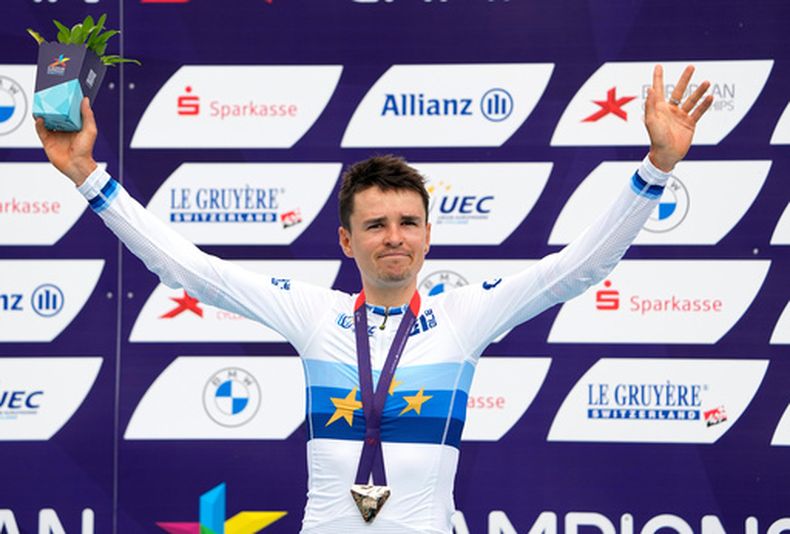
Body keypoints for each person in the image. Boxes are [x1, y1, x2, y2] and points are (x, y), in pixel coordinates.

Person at [37, 65, 712, 534]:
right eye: (376, 225)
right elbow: (189, 269)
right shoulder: (316, 317)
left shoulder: (464, 317)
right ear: (345, 240)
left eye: (409, 223)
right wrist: (87, 176)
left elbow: (580, 266)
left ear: (428, 235)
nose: (395, 238)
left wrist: (656, 168)